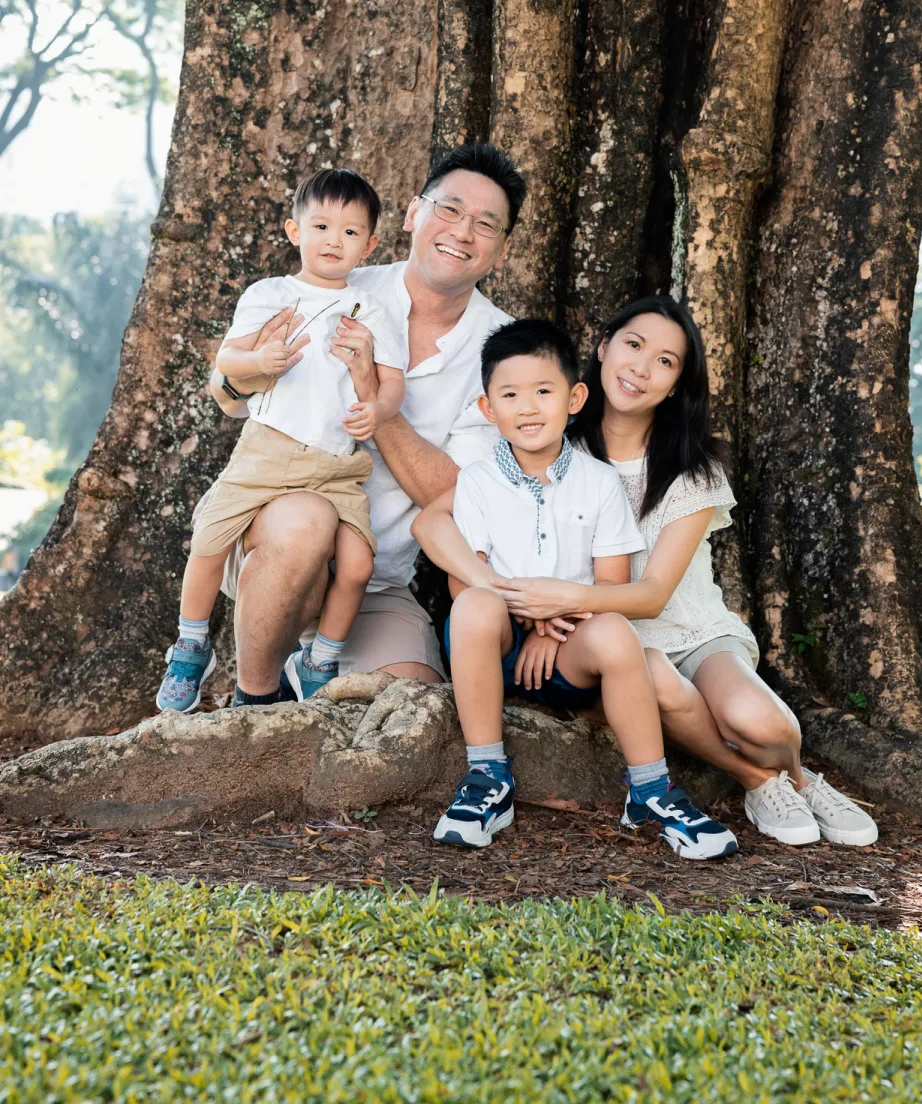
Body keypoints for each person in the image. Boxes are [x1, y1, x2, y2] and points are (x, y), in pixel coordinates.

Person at [501, 296, 879, 849]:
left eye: (665, 361)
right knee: (650, 676)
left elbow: (654, 594)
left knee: (768, 725)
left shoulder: (691, 469)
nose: (640, 367)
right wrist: (541, 623)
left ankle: (799, 777)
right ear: (604, 347)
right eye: (632, 345)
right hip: (610, 640)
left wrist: (560, 598)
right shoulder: (552, 447)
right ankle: (760, 780)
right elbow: (521, 546)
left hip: (695, 631)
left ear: (676, 384)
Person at [202, 143, 523, 707]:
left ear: (501, 248)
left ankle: (312, 670)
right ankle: (253, 704)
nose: (462, 232)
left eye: (485, 224)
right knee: (307, 522)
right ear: (412, 215)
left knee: (411, 706)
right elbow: (225, 395)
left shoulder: (503, 351)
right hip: (274, 533)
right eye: (448, 210)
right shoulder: (337, 282)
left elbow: (462, 498)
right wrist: (251, 371)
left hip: (371, 579)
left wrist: (375, 400)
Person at [413, 318, 740, 860]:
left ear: (574, 397)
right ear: (488, 408)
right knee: (472, 604)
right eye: (510, 395)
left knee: (615, 631)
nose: (528, 407)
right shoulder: (476, 482)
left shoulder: (599, 481)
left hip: (573, 653)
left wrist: (554, 633)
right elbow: (463, 575)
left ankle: (651, 791)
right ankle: (488, 777)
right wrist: (529, 621)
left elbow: (610, 586)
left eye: (544, 391)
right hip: (497, 649)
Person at [157, 169, 406, 713]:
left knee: (359, 563)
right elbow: (228, 360)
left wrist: (377, 410)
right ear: (293, 231)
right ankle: (191, 643)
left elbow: (392, 383)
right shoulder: (271, 294)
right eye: (320, 226)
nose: (332, 241)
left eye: (349, 232)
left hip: (337, 463)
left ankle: (320, 659)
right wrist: (258, 361)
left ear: (371, 244)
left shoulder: (373, 311)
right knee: (208, 537)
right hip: (268, 448)